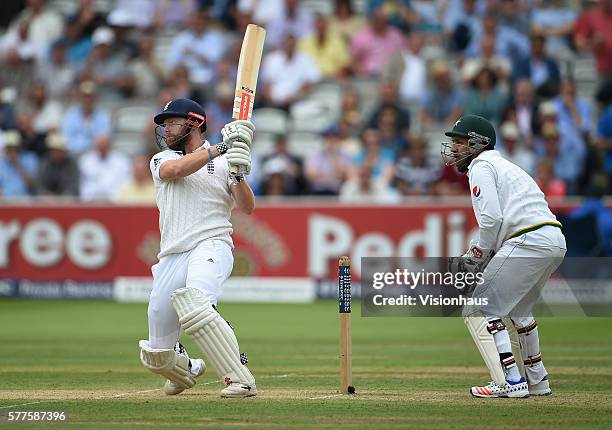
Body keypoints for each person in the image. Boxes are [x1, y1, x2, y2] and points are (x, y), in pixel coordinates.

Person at [138, 98, 258, 398]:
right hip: (171, 256)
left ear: (194, 123)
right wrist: (219, 148)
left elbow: (247, 206)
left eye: (172, 122)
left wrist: (239, 173)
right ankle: (187, 368)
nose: (165, 129)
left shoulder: (224, 163)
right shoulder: (161, 159)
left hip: (212, 243)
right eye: (163, 124)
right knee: (156, 355)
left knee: (197, 304)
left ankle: (240, 379)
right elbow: (173, 171)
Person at [442, 114, 566, 398]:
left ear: (478, 143)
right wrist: (481, 250)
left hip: (528, 240)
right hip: (552, 240)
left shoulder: (482, 165)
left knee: (480, 307)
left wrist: (478, 254)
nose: (454, 149)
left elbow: (492, 219)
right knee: (520, 312)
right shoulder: (507, 166)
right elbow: (501, 220)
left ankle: (509, 380)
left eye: (460, 143)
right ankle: (538, 380)